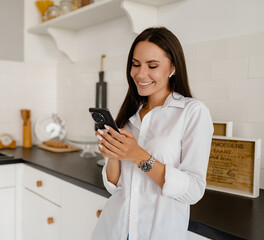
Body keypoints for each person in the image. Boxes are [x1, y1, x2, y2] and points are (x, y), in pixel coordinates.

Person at [91, 27, 213, 240]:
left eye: (152, 66)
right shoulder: (129, 116)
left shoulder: (192, 112)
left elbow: (193, 190)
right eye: (136, 64)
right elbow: (115, 187)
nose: (140, 74)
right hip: (114, 231)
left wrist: (138, 155)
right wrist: (112, 155)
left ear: (173, 67)